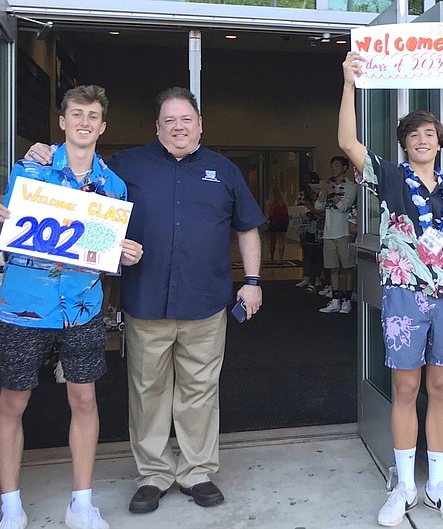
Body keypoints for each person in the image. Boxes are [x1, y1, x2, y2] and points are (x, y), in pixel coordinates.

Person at [27, 86, 265, 514]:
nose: (178, 127)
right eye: (169, 120)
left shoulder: (224, 170)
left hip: (206, 302)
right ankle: (154, 474)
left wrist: (252, 280)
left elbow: (247, 227)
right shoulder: (124, 166)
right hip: (146, 299)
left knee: (199, 390)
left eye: (186, 120)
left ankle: (196, 471)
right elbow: (81, 197)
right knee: (147, 390)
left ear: (199, 125)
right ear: (157, 127)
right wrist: (45, 153)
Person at [0, 85, 143, 529]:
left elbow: (98, 255)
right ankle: (11, 507)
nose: (84, 122)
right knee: (13, 401)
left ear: (102, 127)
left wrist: (122, 255)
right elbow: (8, 242)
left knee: (84, 398)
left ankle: (81, 503)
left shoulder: (114, 185)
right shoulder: (31, 170)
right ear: (63, 122)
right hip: (24, 303)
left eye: (93, 116)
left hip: (82, 306)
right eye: (76, 114)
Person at [340, 52, 443, 526]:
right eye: (414, 134)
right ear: (404, 145)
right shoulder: (390, 177)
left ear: (440, 144)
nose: (423, 139)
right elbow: (346, 140)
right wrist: (349, 84)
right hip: (403, 295)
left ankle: (438, 485)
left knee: (442, 388)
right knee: (405, 387)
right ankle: (404, 485)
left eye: (430, 134)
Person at [315, 156, 357, 314]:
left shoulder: (351, 187)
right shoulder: (328, 186)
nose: (333, 168)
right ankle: (335, 300)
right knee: (332, 268)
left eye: (337, 165)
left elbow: (344, 207)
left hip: (344, 232)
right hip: (328, 233)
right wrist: (323, 192)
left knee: (347, 268)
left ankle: (347, 300)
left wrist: (331, 191)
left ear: (345, 167)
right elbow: (318, 207)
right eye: (332, 165)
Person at [295, 171, 325, 293]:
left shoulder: (321, 193)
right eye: (305, 180)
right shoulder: (302, 194)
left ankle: (317, 278)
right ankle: (307, 277)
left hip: (319, 227)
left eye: (309, 180)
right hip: (305, 227)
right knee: (307, 253)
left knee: (318, 254)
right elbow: (296, 209)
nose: (307, 182)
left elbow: (322, 210)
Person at [265, 185, 289, 263]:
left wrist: (267, 220)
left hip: (273, 222)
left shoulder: (269, 202)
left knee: (273, 241)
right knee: (281, 241)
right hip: (283, 223)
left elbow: (268, 214)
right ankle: (280, 259)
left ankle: (272, 258)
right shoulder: (283, 201)